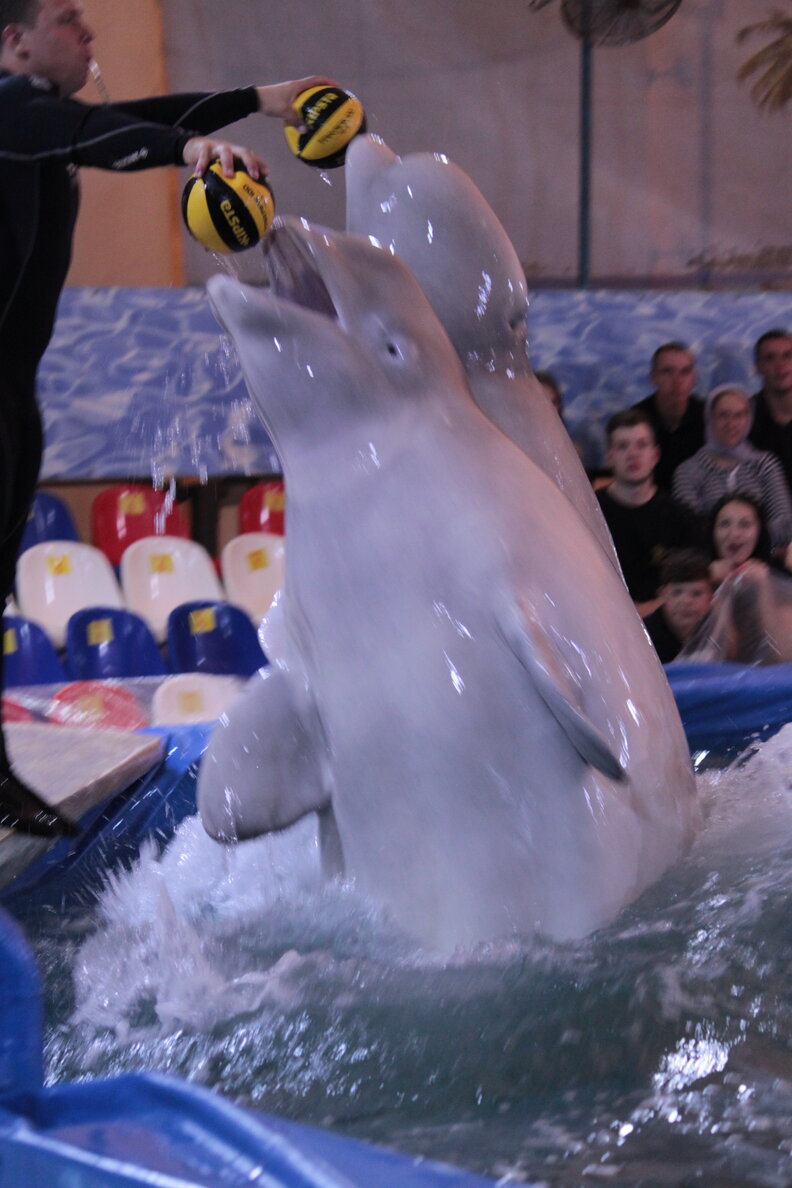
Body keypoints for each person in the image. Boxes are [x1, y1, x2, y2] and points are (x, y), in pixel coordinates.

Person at [0, 0, 333, 835]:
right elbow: (100, 138)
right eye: (68, 21)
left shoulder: (42, 120)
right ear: (15, 41)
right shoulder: (8, 108)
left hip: (11, 392)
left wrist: (259, 97)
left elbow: (123, 121)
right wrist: (188, 150)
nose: (88, 34)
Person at [597, 409, 702, 613]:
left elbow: (694, 589)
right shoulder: (589, 514)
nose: (633, 454)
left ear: (655, 455)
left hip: (665, 626)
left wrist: (643, 612)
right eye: (622, 446)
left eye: (641, 445)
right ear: (609, 457)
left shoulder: (680, 518)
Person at [672, 383, 792, 554]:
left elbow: (785, 523)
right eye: (723, 415)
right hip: (708, 569)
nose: (731, 423)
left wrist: (748, 545)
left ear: (748, 418)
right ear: (710, 418)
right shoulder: (688, 471)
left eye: (739, 415)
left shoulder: (764, 464)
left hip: (764, 564)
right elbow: (688, 530)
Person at [677, 493, 792, 665]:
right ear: (712, 531)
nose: (734, 533)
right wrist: (713, 587)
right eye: (724, 524)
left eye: (745, 524)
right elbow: (709, 651)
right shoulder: (694, 575)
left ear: (759, 531)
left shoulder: (775, 576)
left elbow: (783, 653)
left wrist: (763, 588)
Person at [631, 341, 704, 489]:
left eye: (685, 372)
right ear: (653, 378)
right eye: (668, 372)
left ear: (694, 378)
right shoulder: (635, 420)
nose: (677, 381)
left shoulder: (708, 417)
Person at [642, 549, 714, 663]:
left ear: (711, 597)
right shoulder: (643, 638)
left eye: (696, 593)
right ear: (662, 595)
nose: (686, 601)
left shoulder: (718, 633)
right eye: (677, 592)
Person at [748, 328, 792, 489]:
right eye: (770, 358)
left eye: (788, 355)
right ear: (758, 367)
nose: (780, 365)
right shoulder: (743, 418)